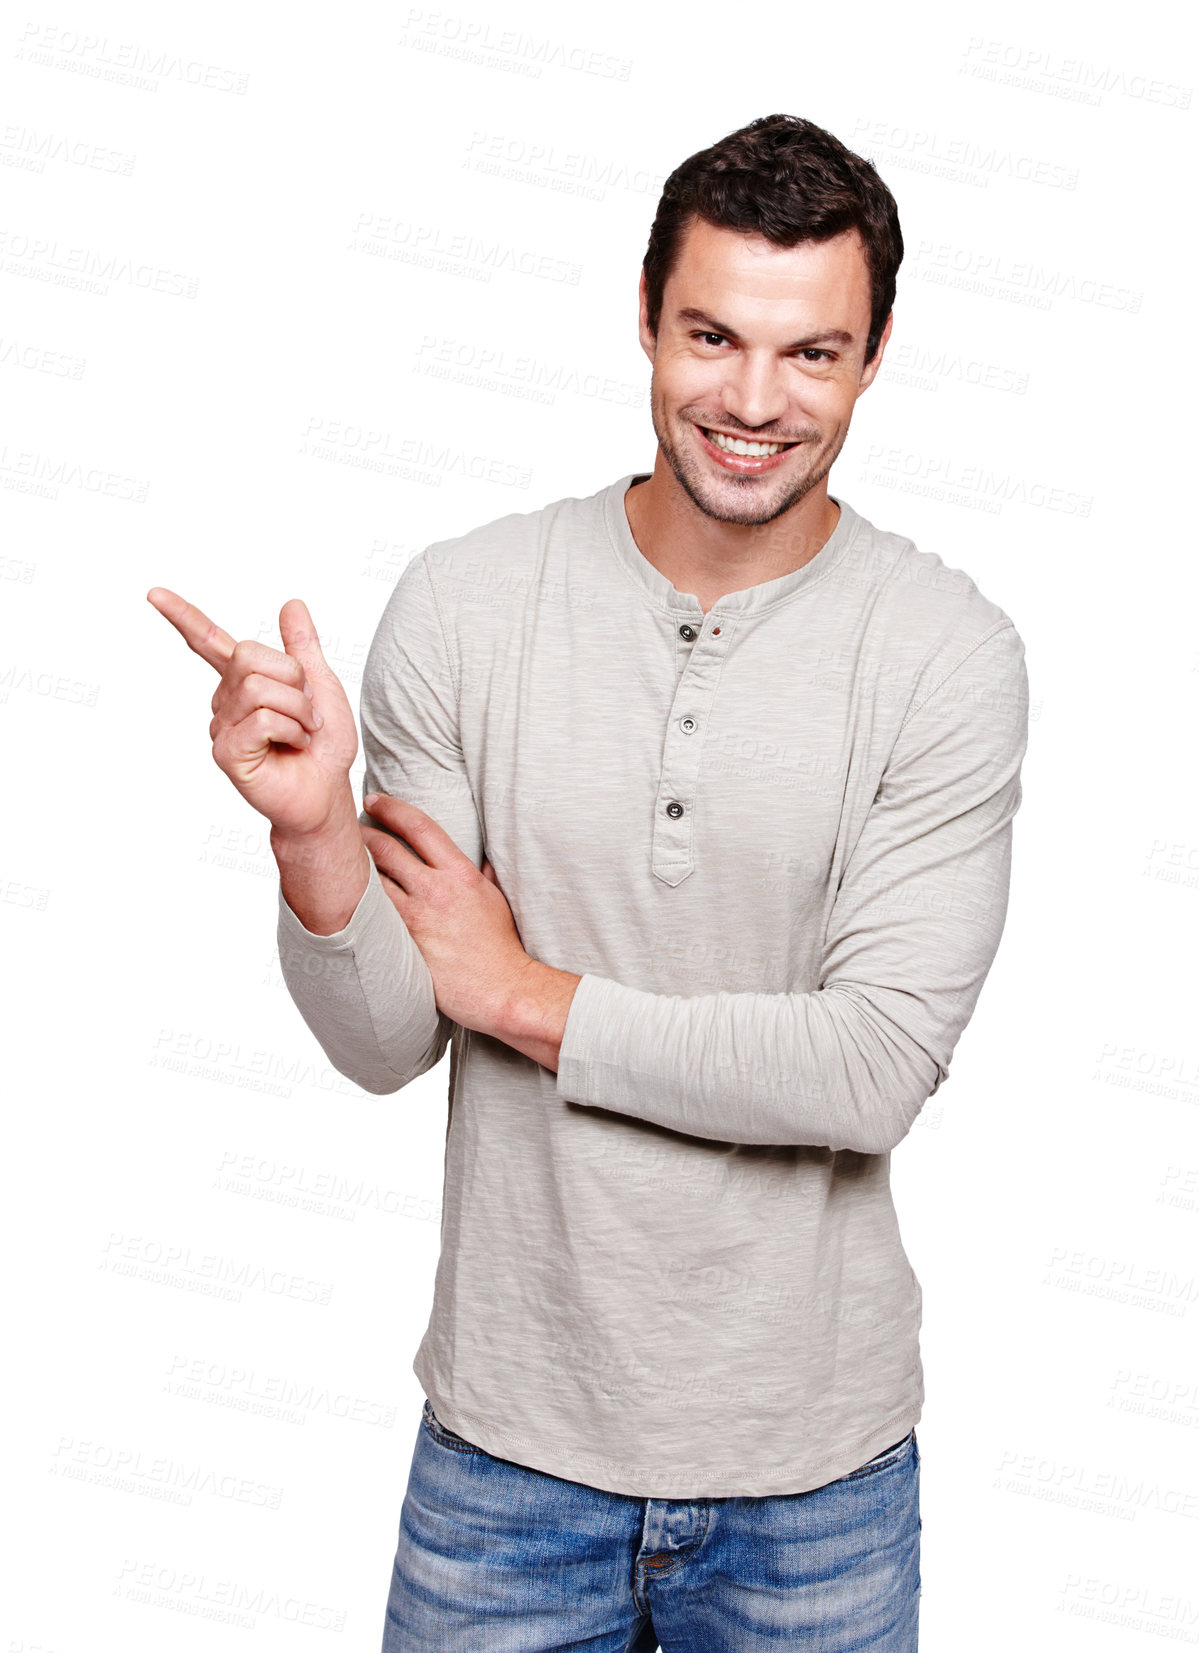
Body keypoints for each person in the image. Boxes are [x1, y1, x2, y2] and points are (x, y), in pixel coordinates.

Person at [149, 113, 1029, 1652]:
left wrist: (525, 994)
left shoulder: (944, 654)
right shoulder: (471, 605)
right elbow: (383, 1043)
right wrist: (312, 843)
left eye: (809, 354)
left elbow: (872, 1063)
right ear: (642, 317)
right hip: (505, 1456)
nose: (752, 402)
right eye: (710, 337)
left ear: (874, 356)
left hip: (810, 1481)